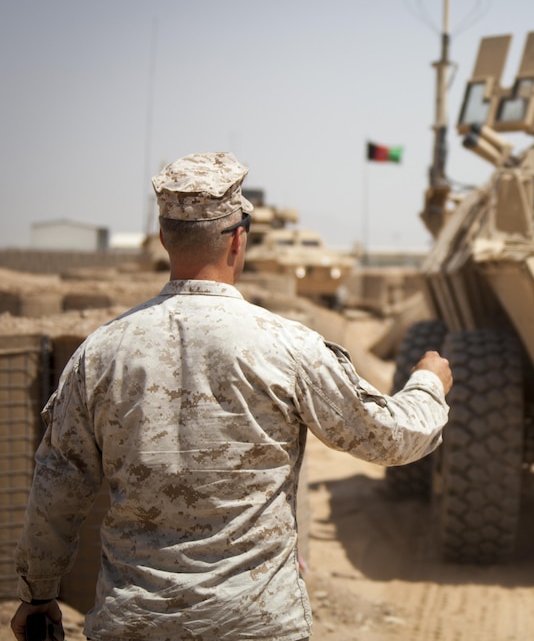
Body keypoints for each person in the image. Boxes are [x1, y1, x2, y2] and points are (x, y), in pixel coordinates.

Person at [10, 152, 451, 641]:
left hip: (135, 625)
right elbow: (391, 438)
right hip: (256, 625)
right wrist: (429, 382)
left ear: (163, 239)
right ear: (238, 239)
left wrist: (38, 594)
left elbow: (56, 488)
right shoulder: (287, 346)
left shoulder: (101, 353)